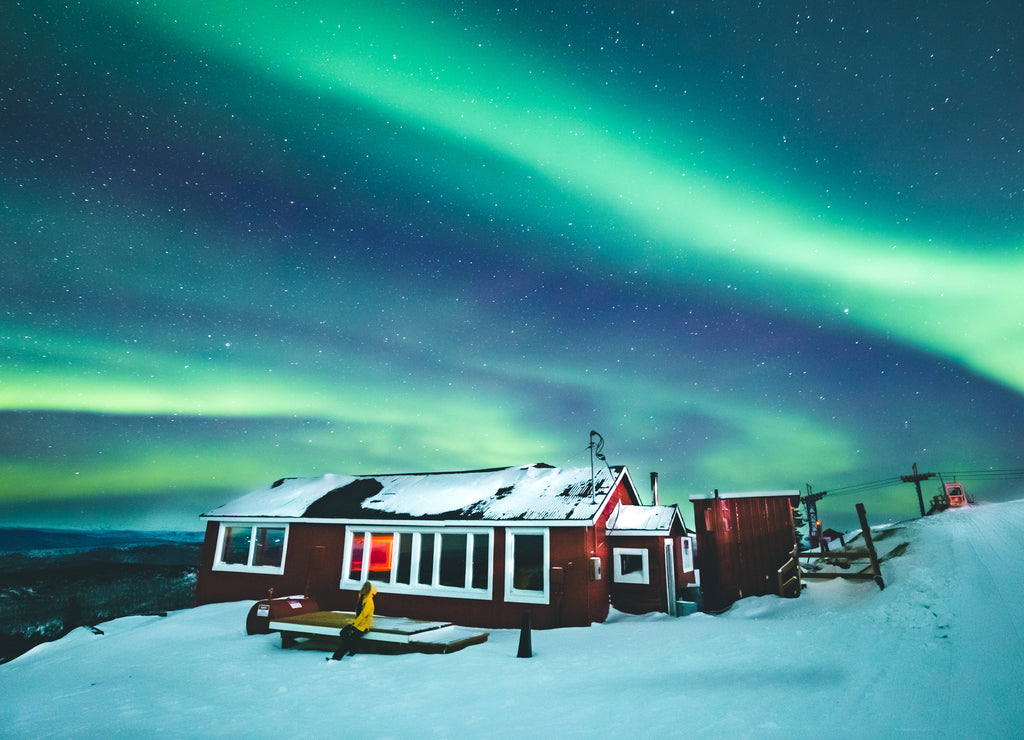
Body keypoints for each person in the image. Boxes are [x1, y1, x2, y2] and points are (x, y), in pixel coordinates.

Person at [330, 582, 376, 660]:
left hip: (363, 626)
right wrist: (354, 624)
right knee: (343, 632)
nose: (364, 589)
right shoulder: (362, 597)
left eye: (366, 588)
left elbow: (363, 615)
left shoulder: (369, 600)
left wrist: (354, 625)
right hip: (357, 623)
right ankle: (353, 649)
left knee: (349, 638)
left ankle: (336, 657)